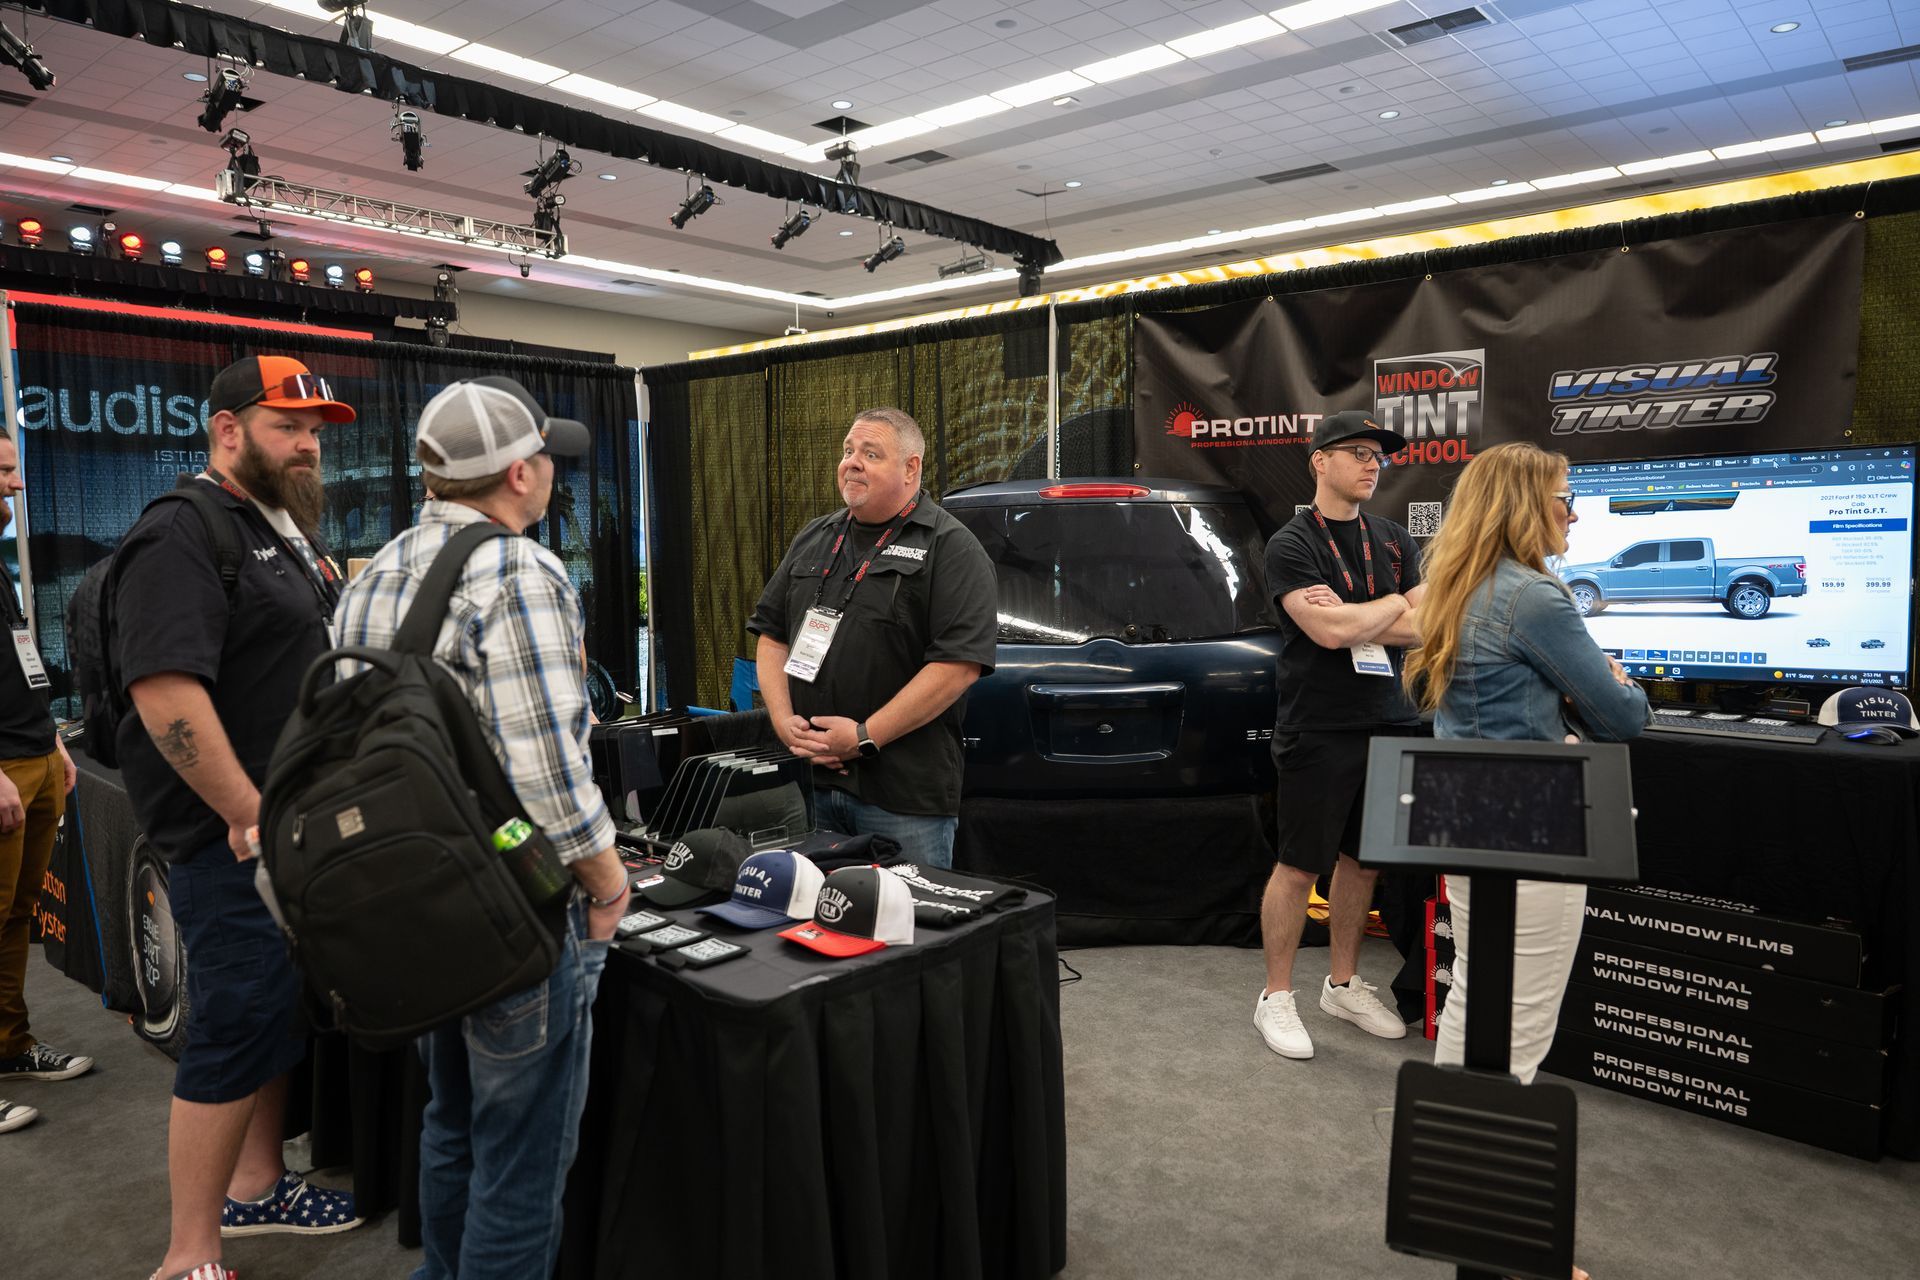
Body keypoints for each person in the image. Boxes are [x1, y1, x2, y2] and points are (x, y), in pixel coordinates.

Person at [332, 376, 629, 1280]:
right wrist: (609, 885)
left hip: (413, 902)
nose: (549, 471)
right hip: (515, 908)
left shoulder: (375, 571)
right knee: (523, 1161)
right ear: (517, 474)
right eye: (543, 456)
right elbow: (546, 776)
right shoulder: (517, 571)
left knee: (451, 1122)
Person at [116, 357, 362, 1280]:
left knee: (269, 1015)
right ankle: (190, 1254)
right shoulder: (183, 531)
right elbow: (166, 691)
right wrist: (249, 812)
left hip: (288, 833)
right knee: (229, 1024)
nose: (307, 446)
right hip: (232, 843)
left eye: (315, 432)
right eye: (286, 427)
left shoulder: (281, 531)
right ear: (227, 430)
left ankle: (257, 1188)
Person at [1406, 441, 1647, 1084]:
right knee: (1519, 1020)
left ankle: (1448, 1152)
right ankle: (1479, 1165)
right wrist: (1613, 684)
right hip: (1530, 820)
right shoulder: (1534, 596)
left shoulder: (1461, 585)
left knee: (1479, 993)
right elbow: (1623, 718)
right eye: (1566, 499)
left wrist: (1567, 698)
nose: (1575, 514)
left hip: (1465, 814)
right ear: (1525, 504)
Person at [749, 407, 997, 869]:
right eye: (848, 451)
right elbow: (772, 635)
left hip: (901, 799)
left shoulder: (952, 548)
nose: (852, 462)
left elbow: (957, 667)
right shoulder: (816, 537)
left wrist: (864, 737)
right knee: (813, 924)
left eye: (870, 453)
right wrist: (784, 724)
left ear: (911, 468)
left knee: (909, 933)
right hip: (812, 782)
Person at [1253, 409, 1425, 1060]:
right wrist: (1391, 607)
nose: (1371, 463)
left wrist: (1362, 616)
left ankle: (1344, 984)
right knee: (1300, 865)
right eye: (1356, 451)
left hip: (1390, 715)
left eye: (1377, 455)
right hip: (1320, 724)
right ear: (1320, 461)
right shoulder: (1291, 544)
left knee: (1364, 860)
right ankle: (1275, 996)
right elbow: (1328, 633)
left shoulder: (1393, 539)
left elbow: (1427, 623)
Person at [0, 429, 88, 1136]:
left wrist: (51, 736)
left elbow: (17, 663)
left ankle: (10, 1047)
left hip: (33, 755)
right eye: (4, 470)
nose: (17, 484)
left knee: (17, 914)